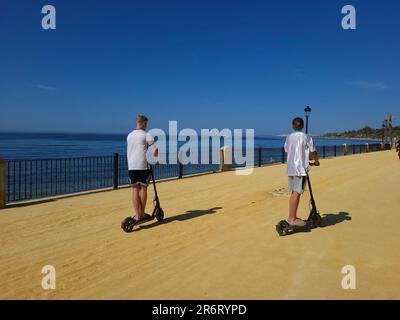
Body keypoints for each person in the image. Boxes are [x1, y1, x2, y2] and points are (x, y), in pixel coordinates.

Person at [284, 117, 320, 227]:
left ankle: (292, 216)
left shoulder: (289, 137)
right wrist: (316, 161)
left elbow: (286, 149)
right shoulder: (306, 137)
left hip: (290, 168)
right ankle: (292, 218)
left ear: (292, 126)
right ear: (303, 126)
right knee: (297, 192)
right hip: (300, 169)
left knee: (293, 192)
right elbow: (313, 151)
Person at [127, 115, 159, 222]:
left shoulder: (129, 135)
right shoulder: (146, 135)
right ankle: (142, 214)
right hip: (143, 166)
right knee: (143, 188)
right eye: (146, 124)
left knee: (135, 189)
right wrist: (158, 160)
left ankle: (137, 215)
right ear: (144, 123)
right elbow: (154, 150)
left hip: (131, 166)